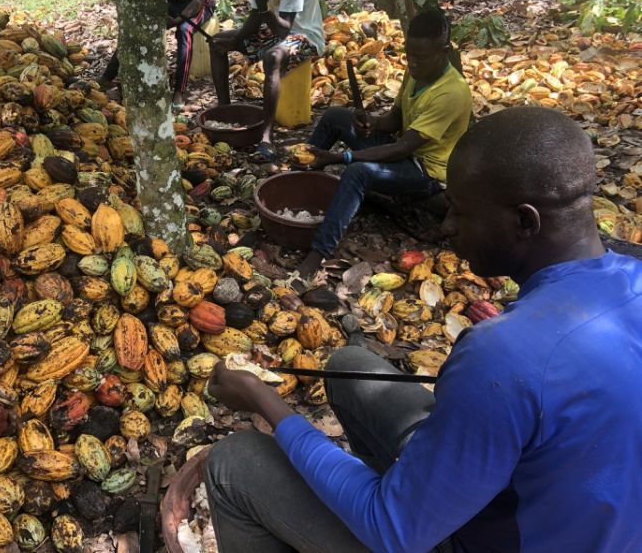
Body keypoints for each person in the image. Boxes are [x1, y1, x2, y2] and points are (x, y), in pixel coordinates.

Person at [205, 105, 642, 553]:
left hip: (464, 536)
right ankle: (402, 491)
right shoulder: (632, 275)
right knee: (349, 363)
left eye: (459, 211)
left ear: (525, 222)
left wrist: (266, 403)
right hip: (550, 509)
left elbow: (393, 531)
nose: (446, 226)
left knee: (233, 464)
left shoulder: (505, 354)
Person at [294, 10, 472, 280]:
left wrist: (338, 158)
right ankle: (298, 178)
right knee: (334, 117)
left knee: (358, 172)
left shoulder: (452, 93)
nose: (412, 63)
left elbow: (403, 149)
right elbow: (397, 119)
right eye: (409, 54)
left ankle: (318, 253)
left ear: (444, 50)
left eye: (420, 57)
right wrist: (374, 123)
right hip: (403, 148)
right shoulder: (416, 74)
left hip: (426, 172)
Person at [209, 0, 324, 159]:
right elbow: (254, 20)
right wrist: (236, 40)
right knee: (217, 43)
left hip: (306, 36)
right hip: (275, 33)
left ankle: (267, 134)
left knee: (273, 58)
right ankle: (225, 109)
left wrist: (263, 5)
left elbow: (285, 30)